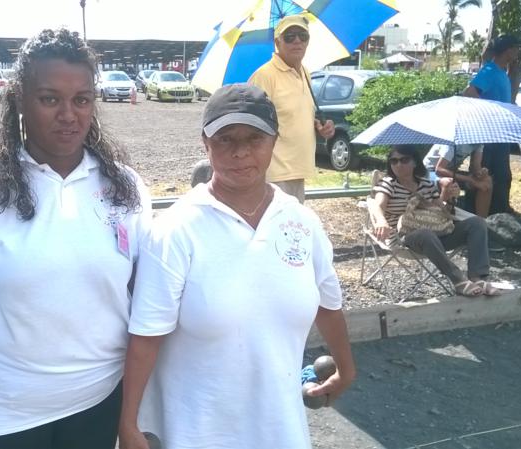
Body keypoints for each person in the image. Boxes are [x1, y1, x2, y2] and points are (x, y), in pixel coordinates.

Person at [0, 28, 151, 449]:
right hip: (7, 414)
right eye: (49, 99)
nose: (68, 114)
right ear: (19, 100)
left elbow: (141, 298)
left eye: (81, 99)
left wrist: (134, 412)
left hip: (100, 400)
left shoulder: (126, 188)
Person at [118, 84, 355, 449]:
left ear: (274, 141)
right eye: (225, 139)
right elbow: (146, 337)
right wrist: (129, 423)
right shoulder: (175, 230)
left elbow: (328, 304)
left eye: (255, 138)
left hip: (280, 429)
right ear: (205, 143)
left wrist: (346, 368)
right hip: (196, 432)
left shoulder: (301, 221)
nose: (240, 152)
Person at [370, 145, 502, 297]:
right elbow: (376, 205)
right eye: (394, 161)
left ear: (415, 162)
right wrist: (381, 221)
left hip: (437, 234)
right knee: (425, 234)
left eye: (404, 160)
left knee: (477, 223)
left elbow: (441, 211)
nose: (398, 164)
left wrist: (450, 197)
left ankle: (478, 277)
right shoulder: (388, 184)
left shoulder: (426, 184)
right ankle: (458, 280)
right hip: (404, 238)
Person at [249, 14, 335, 203]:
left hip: (298, 170)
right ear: (277, 43)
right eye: (289, 37)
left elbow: (293, 115)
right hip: (274, 175)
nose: (297, 41)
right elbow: (251, 125)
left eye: (303, 36)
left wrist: (319, 127)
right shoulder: (264, 76)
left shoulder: (305, 73)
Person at [463, 34, 521, 215]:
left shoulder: (502, 72)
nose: (518, 52)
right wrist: (489, 114)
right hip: (489, 135)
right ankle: (477, 214)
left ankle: (498, 212)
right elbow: (469, 93)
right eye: (516, 48)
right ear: (508, 50)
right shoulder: (489, 70)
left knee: (502, 175)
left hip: (501, 134)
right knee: (484, 175)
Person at [423, 144, 492, 217]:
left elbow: (476, 166)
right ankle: (441, 217)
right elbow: (439, 169)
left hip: (450, 172)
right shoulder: (451, 143)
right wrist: (470, 180)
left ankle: (482, 220)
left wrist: (481, 173)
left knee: (486, 180)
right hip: (429, 172)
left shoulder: (478, 143)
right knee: (449, 183)